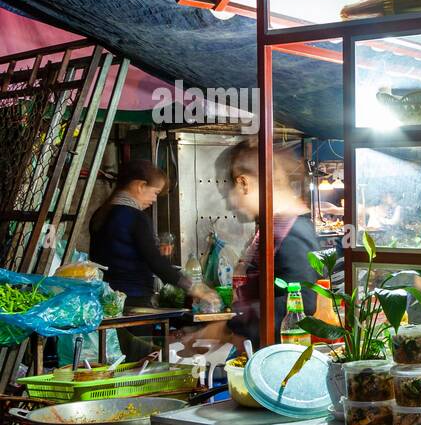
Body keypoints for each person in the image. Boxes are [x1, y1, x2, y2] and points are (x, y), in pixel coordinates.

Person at [88, 159, 214, 359]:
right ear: (140, 186)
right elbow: (155, 262)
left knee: (116, 358)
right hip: (135, 301)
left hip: (105, 302)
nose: (154, 199)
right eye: (155, 192)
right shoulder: (136, 218)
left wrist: (157, 255)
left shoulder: (101, 214)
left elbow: (116, 255)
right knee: (140, 360)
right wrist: (193, 287)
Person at [215, 140, 320, 346]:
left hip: (280, 362)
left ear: (244, 183)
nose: (229, 205)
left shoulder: (293, 230)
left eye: (228, 194)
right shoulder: (275, 225)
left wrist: (230, 327)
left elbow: (303, 301)